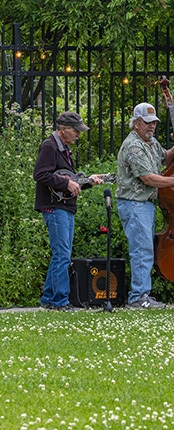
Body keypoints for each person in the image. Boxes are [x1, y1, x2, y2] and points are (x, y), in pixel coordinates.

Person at [116, 102, 174, 309]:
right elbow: (148, 178)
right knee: (142, 250)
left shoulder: (150, 142)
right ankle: (138, 297)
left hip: (144, 204)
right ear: (137, 123)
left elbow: (164, 158)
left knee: (145, 249)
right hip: (135, 203)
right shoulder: (133, 145)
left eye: (154, 123)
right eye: (148, 123)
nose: (152, 127)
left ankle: (142, 295)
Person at [34, 111, 103, 311]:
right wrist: (66, 182)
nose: (78, 135)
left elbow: (69, 182)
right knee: (62, 255)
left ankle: (49, 299)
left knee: (61, 254)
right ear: (63, 129)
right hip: (54, 208)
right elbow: (40, 174)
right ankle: (60, 301)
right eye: (76, 131)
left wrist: (89, 181)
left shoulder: (64, 149)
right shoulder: (50, 146)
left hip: (64, 207)